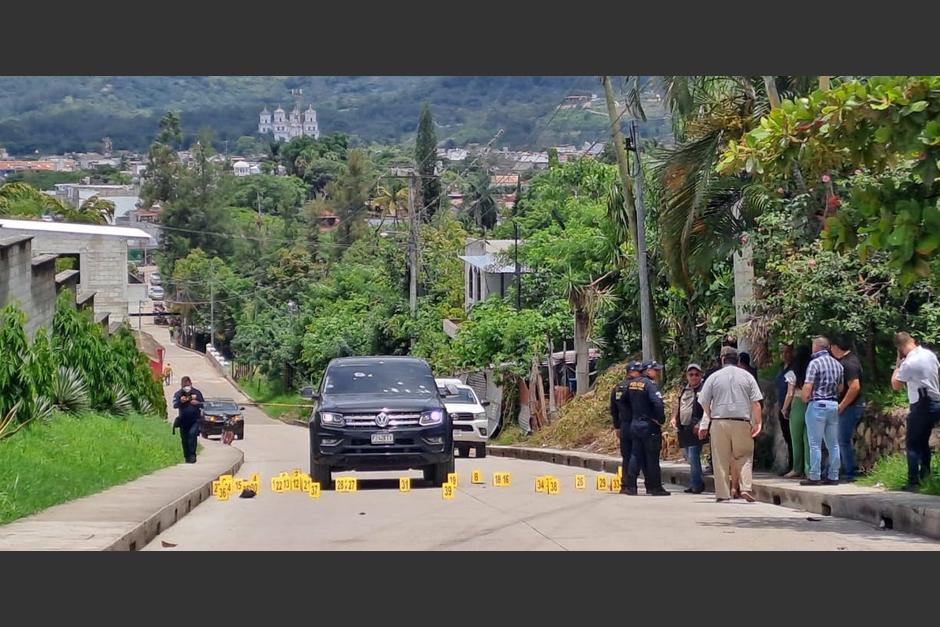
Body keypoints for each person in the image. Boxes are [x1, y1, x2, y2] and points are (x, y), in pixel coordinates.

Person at [697, 346, 763, 502]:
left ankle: (723, 493)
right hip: (742, 421)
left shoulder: (713, 377)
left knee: (720, 459)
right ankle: (745, 488)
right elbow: (756, 403)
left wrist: (709, 414)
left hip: (720, 422)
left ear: (722, 359)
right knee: (745, 455)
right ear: (738, 360)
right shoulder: (747, 377)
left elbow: (703, 401)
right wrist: (758, 422)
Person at [891, 332, 940, 491]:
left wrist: (898, 364)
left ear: (900, 348)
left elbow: (896, 385)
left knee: (912, 444)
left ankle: (913, 481)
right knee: (924, 443)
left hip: (920, 404)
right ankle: (926, 476)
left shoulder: (909, 362)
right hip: (935, 401)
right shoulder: (930, 355)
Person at [800, 336, 844, 486]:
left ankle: (814, 475)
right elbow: (840, 388)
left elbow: (808, 385)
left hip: (817, 404)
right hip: (833, 404)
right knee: (833, 443)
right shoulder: (838, 365)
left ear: (817, 347)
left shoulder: (814, 363)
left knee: (814, 443)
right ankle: (834, 475)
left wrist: (805, 398)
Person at [622, 360, 670, 497]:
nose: (658, 373)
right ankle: (654, 487)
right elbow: (658, 403)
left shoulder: (631, 384)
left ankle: (631, 486)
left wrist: (632, 415)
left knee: (635, 456)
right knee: (652, 458)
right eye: (656, 370)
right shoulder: (649, 385)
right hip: (649, 426)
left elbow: (622, 401)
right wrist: (660, 419)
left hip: (635, 424)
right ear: (648, 370)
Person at [830, 335, 864, 482]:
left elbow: (855, 386)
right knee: (840, 439)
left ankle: (851, 472)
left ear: (835, 347)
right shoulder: (845, 361)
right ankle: (846, 469)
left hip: (850, 406)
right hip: (848, 406)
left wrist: (841, 405)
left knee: (842, 439)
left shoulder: (849, 363)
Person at [671, 363, 706, 494]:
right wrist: (674, 418)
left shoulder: (704, 389)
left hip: (696, 427)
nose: (694, 377)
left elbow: (708, 408)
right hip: (684, 428)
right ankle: (696, 482)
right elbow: (678, 404)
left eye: (696, 374)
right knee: (688, 456)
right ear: (687, 376)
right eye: (691, 374)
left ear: (701, 375)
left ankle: (696, 485)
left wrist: (702, 423)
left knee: (693, 456)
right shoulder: (684, 390)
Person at [610, 361, 643, 494]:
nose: (640, 374)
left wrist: (617, 426)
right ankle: (631, 484)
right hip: (635, 423)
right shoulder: (635, 387)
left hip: (623, 425)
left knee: (626, 456)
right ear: (631, 372)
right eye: (638, 372)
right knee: (636, 455)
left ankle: (625, 484)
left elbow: (613, 410)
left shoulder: (617, 387)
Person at [782, 345, 812, 478]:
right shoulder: (812, 369)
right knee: (808, 439)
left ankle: (796, 468)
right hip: (811, 403)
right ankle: (809, 469)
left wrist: (784, 408)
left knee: (796, 439)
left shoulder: (793, 371)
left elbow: (790, 393)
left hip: (797, 404)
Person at [172, 376, 204, 463]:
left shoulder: (196, 393)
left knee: (192, 435)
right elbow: (175, 405)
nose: (186, 387)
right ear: (181, 385)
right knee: (184, 439)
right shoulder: (179, 394)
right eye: (184, 385)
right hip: (183, 421)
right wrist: (180, 401)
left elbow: (203, 404)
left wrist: (197, 403)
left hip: (195, 420)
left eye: (187, 384)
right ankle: (187, 457)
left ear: (190, 383)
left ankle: (192, 455)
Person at [774, 344, 795, 475]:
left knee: (793, 438)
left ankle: (794, 465)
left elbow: (790, 391)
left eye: (787, 352)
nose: (784, 355)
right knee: (787, 438)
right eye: (782, 352)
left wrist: (786, 407)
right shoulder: (781, 368)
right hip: (782, 406)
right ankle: (790, 464)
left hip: (790, 407)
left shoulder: (794, 368)